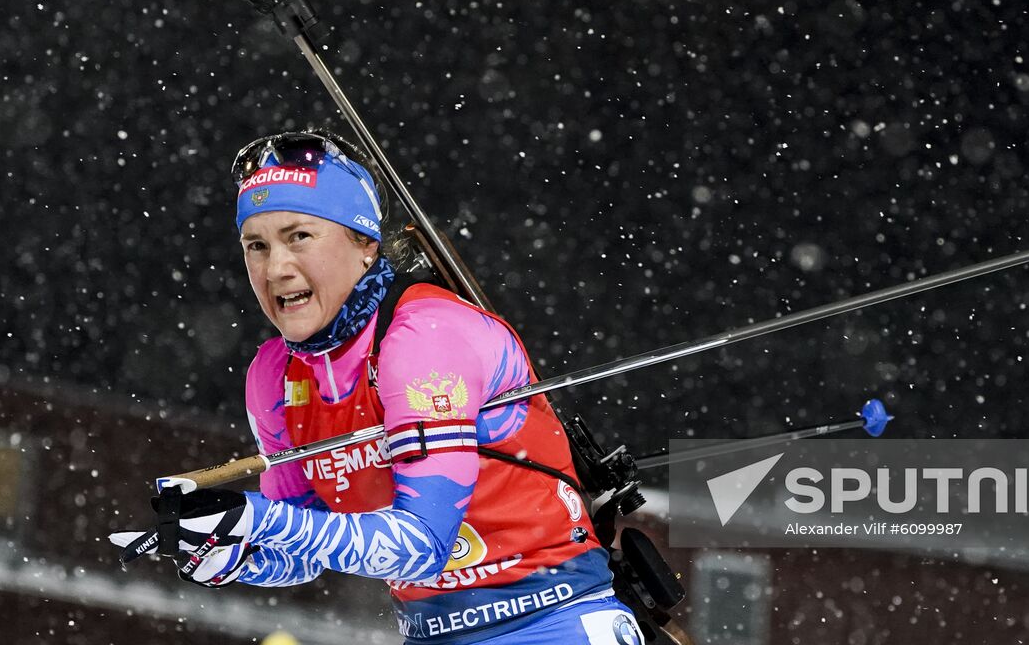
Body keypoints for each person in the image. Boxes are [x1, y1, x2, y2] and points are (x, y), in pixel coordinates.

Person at [111, 131, 643, 645]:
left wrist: (258, 516)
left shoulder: (423, 336)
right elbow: (309, 546)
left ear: (365, 244)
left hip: (550, 624)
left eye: (299, 236)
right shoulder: (274, 376)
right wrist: (229, 553)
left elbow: (424, 545)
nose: (276, 268)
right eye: (257, 245)